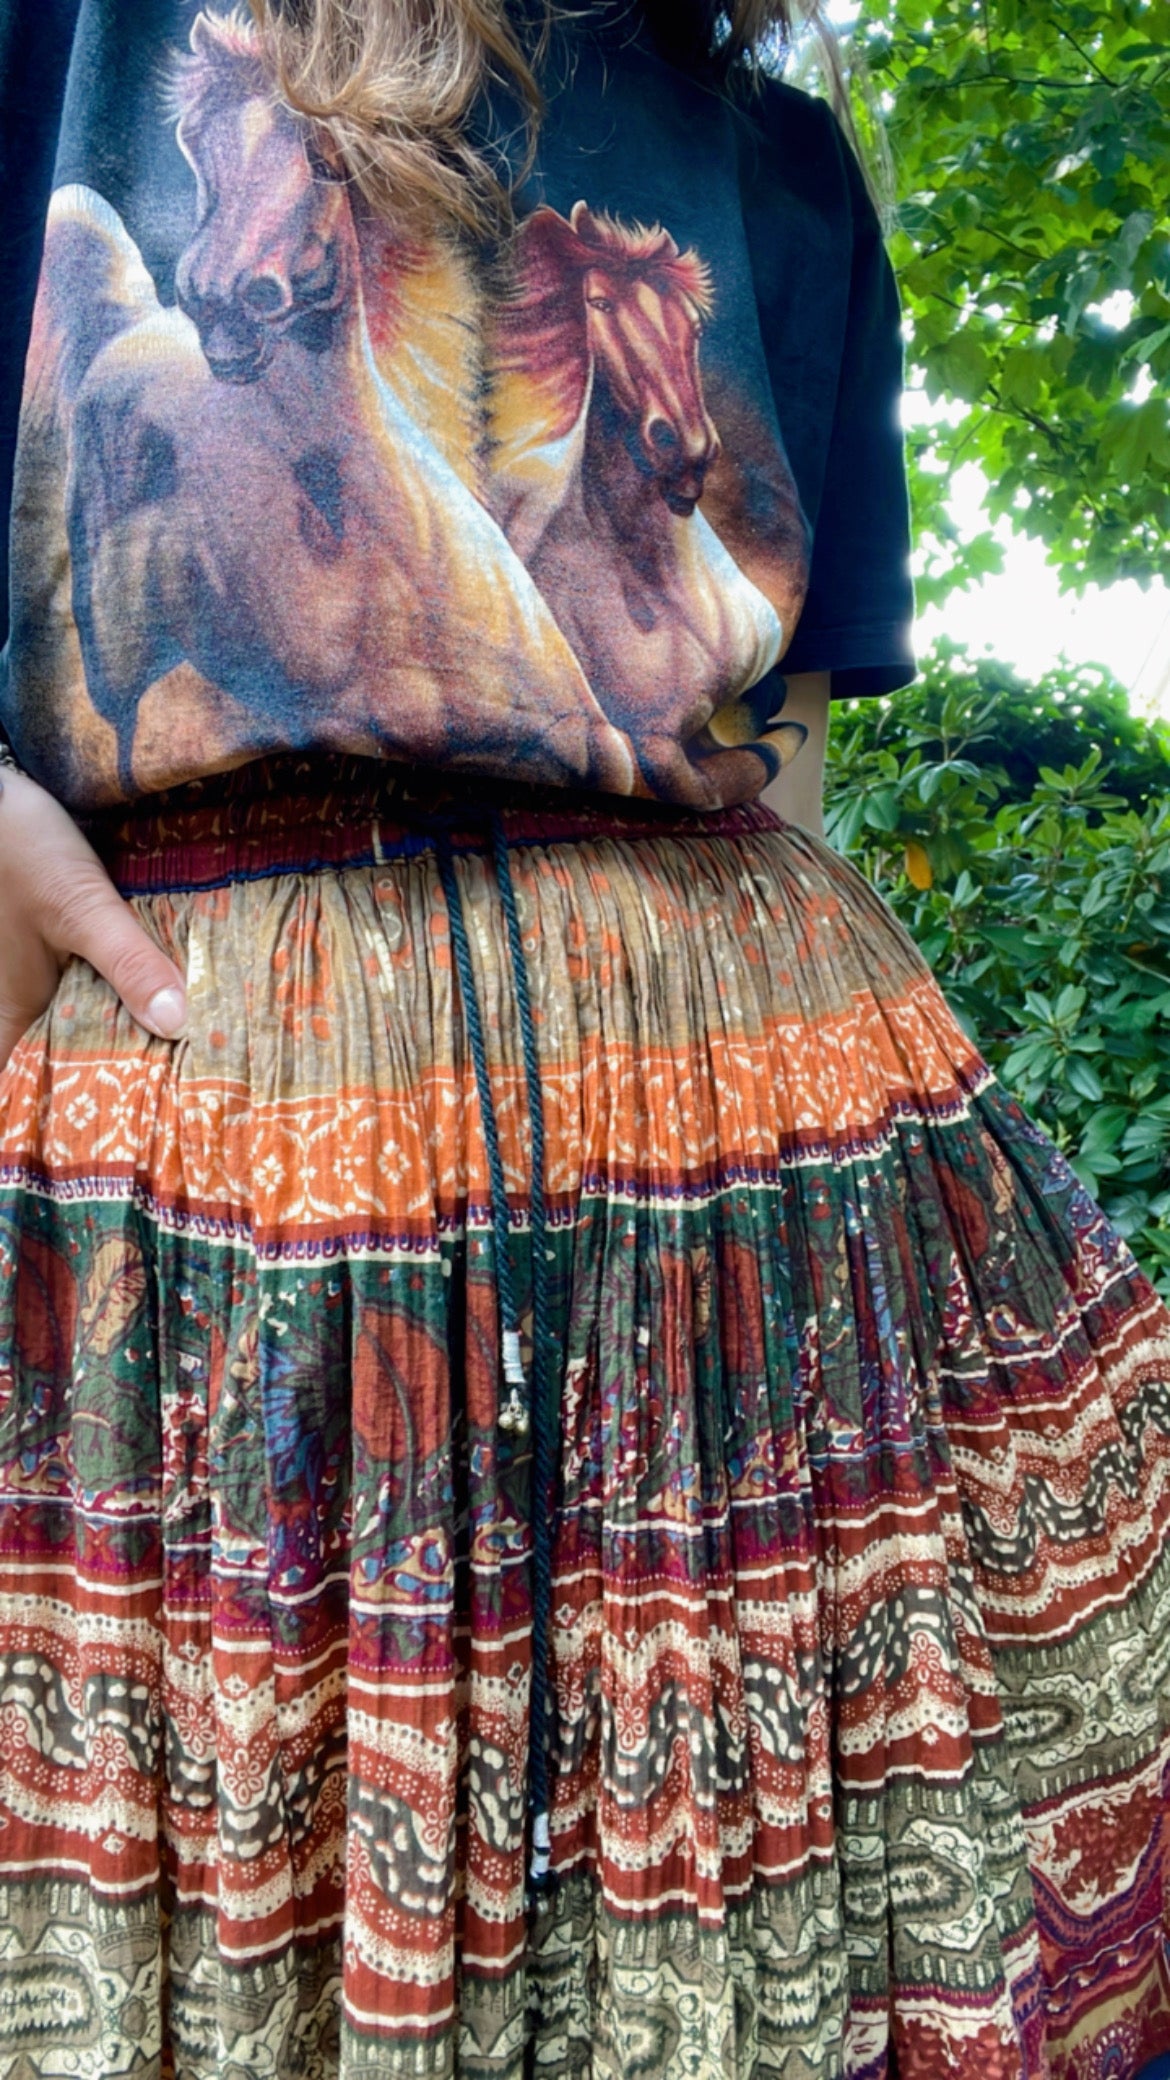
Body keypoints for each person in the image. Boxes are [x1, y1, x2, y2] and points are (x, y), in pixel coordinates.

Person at [0, 1, 1167, 2074]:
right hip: (216, 1134)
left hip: (739, 1154)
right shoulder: (64, 34)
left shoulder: (781, 168)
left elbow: (777, 758)